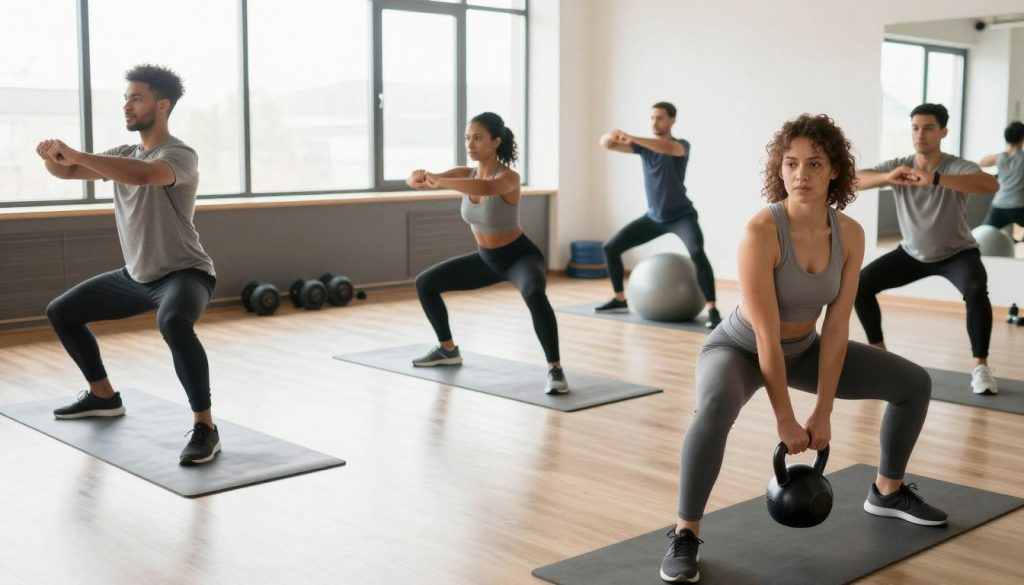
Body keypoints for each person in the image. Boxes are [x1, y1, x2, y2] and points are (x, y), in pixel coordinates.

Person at [660, 115, 947, 583]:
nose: (801, 175)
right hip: (738, 348)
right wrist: (786, 418)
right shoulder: (761, 231)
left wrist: (824, 412)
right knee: (714, 405)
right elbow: (765, 336)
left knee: (914, 383)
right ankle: (685, 532)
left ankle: (887, 491)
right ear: (779, 169)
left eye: (814, 163)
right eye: (791, 164)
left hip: (806, 346)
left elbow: (836, 327)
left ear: (835, 170)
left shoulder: (850, 234)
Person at [37, 64, 221, 465]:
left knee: (173, 322)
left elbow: (143, 176)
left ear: (162, 105)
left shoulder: (179, 154)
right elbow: (68, 171)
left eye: (136, 98)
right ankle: (103, 396)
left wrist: (76, 154)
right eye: (126, 98)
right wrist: (52, 156)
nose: (126, 105)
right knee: (62, 312)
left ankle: (205, 426)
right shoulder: (122, 154)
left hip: (185, 272)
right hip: (137, 276)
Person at [406, 112, 569, 395]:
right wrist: (418, 176)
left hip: (520, 257)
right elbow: (416, 182)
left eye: (478, 138)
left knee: (534, 294)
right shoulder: (463, 174)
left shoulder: (508, 178)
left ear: (495, 141)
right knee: (425, 283)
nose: (470, 144)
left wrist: (440, 180)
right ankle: (448, 350)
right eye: (468, 138)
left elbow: (486, 187)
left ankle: (555, 369)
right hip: (486, 259)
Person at [854, 103, 1001, 395]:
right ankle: (881, 357)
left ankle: (981, 367)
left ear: (943, 131)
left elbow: (988, 184)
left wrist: (935, 179)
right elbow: (855, 179)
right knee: (860, 284)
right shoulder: (901, 164)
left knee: (975, 289)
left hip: (957, 253)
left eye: (928, 128)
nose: (920, 134)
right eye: (915, 127)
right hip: (912, 253)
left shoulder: (955, 166)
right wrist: (886, 178)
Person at [596, 102, 720, 328]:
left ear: (672, 120)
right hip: (654, 218)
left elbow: (667, 148)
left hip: (682, 216)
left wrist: (630, 136)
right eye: (652, 118)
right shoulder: (644, 148)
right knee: (610, 248)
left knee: (696, 251)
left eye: (660, 118)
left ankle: (712, 309)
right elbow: (605, 143)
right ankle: (619, 299)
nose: (654, 122)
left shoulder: (682, 146)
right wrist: (614, 135)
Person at [979, 121, 1024, 235]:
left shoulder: (1000, 157)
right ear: (1022, 139)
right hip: (1019, 207)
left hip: (1000, 205)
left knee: (984, 235)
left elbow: (981, 163)